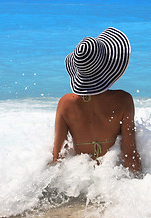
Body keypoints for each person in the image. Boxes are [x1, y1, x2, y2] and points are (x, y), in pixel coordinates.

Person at [52, 27, 142, 175]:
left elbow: (58, 157)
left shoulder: (65, 103)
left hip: (79, 178)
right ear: (108, 66)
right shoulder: (123, 101)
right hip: (109, 177)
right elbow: (129, 154)